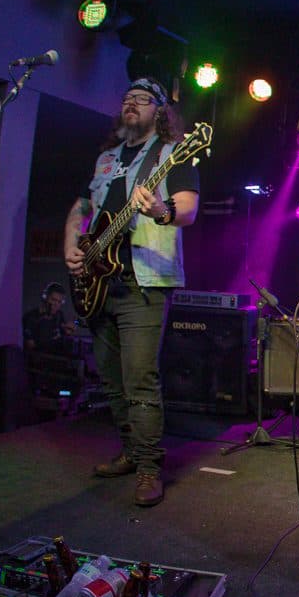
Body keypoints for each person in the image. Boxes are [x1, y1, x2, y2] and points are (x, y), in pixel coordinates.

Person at [63, 71, 200, 508]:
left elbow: (188, 210)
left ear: (160, 112)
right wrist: (71, 244)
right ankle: (129, 451)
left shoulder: (173, 153)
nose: (132, 103)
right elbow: (82, 208)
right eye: (128, 97)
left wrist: (160, 209)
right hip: (99, 282)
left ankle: (148, 468)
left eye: (142, 98)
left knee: (140, 378)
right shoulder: (105, 160)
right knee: (111, 378)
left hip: (144, 281)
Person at [22, 281, 77, 356]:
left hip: (57, 357)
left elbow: (61, 335)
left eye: (59, 302)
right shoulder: (31, 317)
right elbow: (30, 345)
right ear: (45, 297)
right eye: (53, 300)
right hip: (39, 358)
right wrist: (52, 339)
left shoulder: (59, 315)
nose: (56, 304)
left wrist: (67, 332)